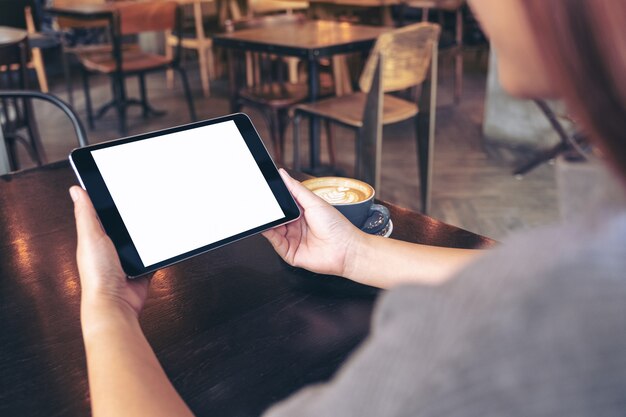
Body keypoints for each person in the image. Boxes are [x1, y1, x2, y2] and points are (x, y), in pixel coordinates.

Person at [69, 0, 626, 415]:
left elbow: (547, 292)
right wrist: (356, 255)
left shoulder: (486, 345)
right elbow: (547, 275)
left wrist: (107, 309)